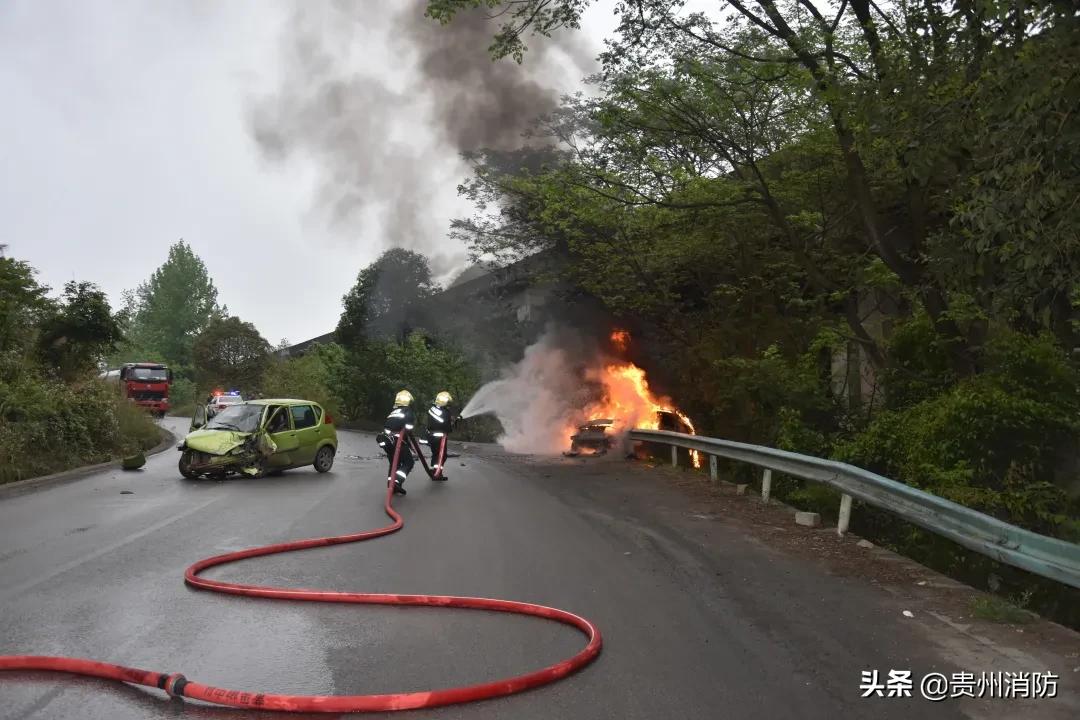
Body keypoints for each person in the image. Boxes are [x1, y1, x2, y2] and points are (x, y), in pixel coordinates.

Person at [376, 390, 415, 495]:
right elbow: (409, 428)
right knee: (409, 462)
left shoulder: (393, 412)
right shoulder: (407, 411)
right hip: (398, 441)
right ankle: (397, 481)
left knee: (394, 463)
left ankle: (391, 484)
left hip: (387, 442)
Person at [424, 391, 455, 481]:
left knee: (435, 454)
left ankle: (434, 470)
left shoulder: (432, 409)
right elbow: (447, 427)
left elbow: (437, 421)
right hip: (440, 438)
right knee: (442, 455)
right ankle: (438, 473)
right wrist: (452, 423)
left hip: (431, 436)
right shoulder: (446, 412)